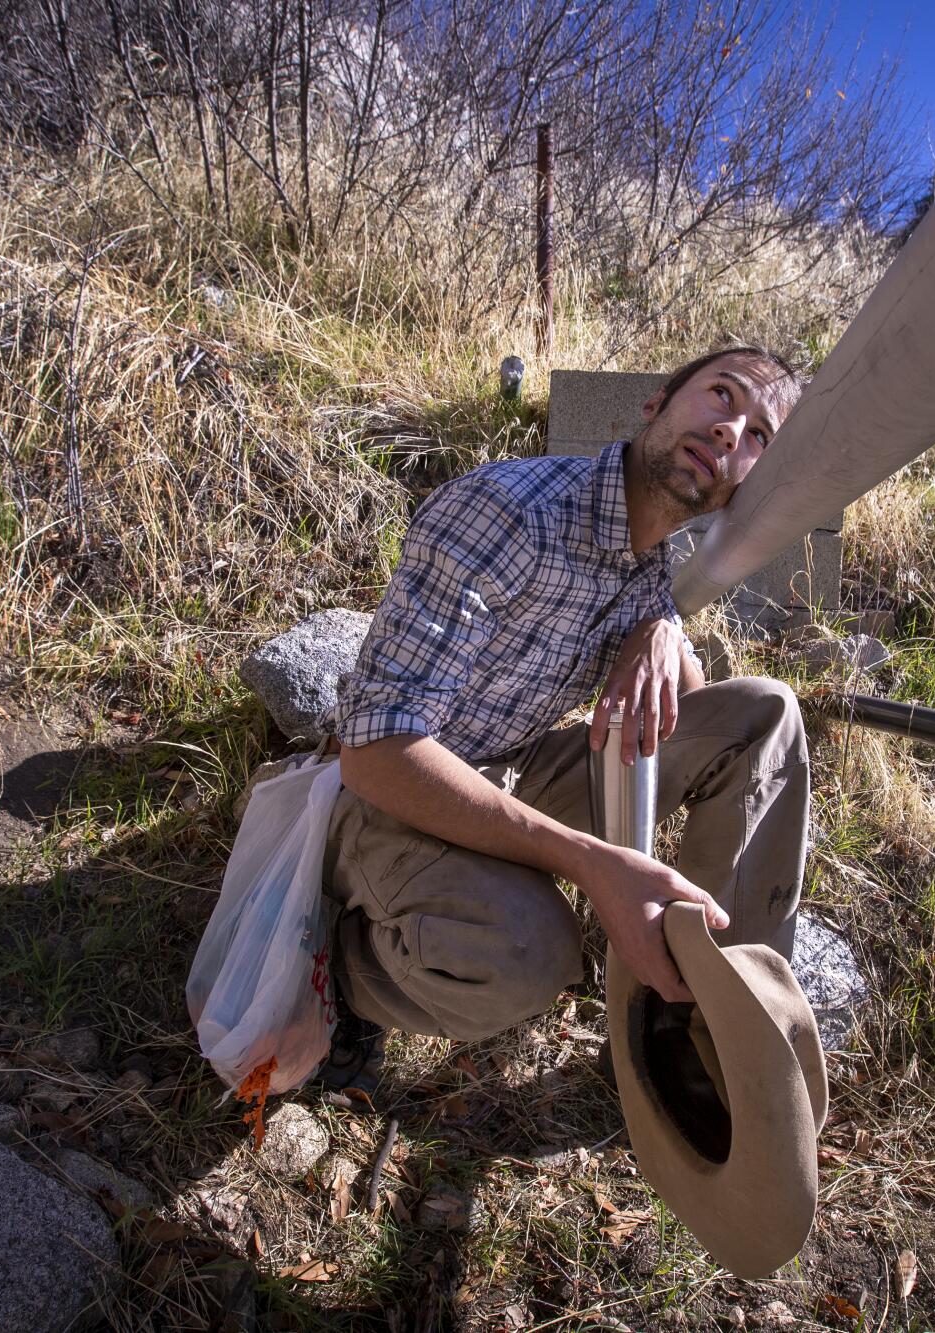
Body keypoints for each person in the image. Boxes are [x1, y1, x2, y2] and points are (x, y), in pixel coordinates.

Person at [319, 345, 812, 1082]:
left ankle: (713, 1026)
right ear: (656, 404)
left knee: (762, 713)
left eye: (758, 435)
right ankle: (342, 972)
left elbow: (689, 698)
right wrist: (592, 865)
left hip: (509, 767)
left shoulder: (647, 564)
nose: (729, 432)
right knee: (530, 956)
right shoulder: (513, 514)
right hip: (382, 796)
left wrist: (664, 627)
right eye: (721, 396)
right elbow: (374, 753)